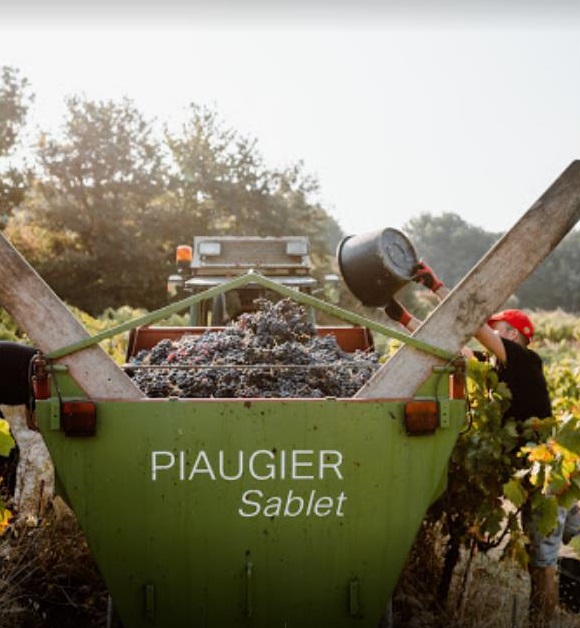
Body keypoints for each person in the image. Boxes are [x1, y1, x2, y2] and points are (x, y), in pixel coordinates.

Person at [384, 262, 579, 628]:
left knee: (543, 562)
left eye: (498, 327)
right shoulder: (498, 368)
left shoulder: (524, 361)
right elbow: (452, 352)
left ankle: (543, 623)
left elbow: (471, 322)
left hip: (546, 478)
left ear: (513, 333)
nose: (490, 332)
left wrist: (437, 286)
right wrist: (404, 319)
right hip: (544, 474)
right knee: (563, 538)